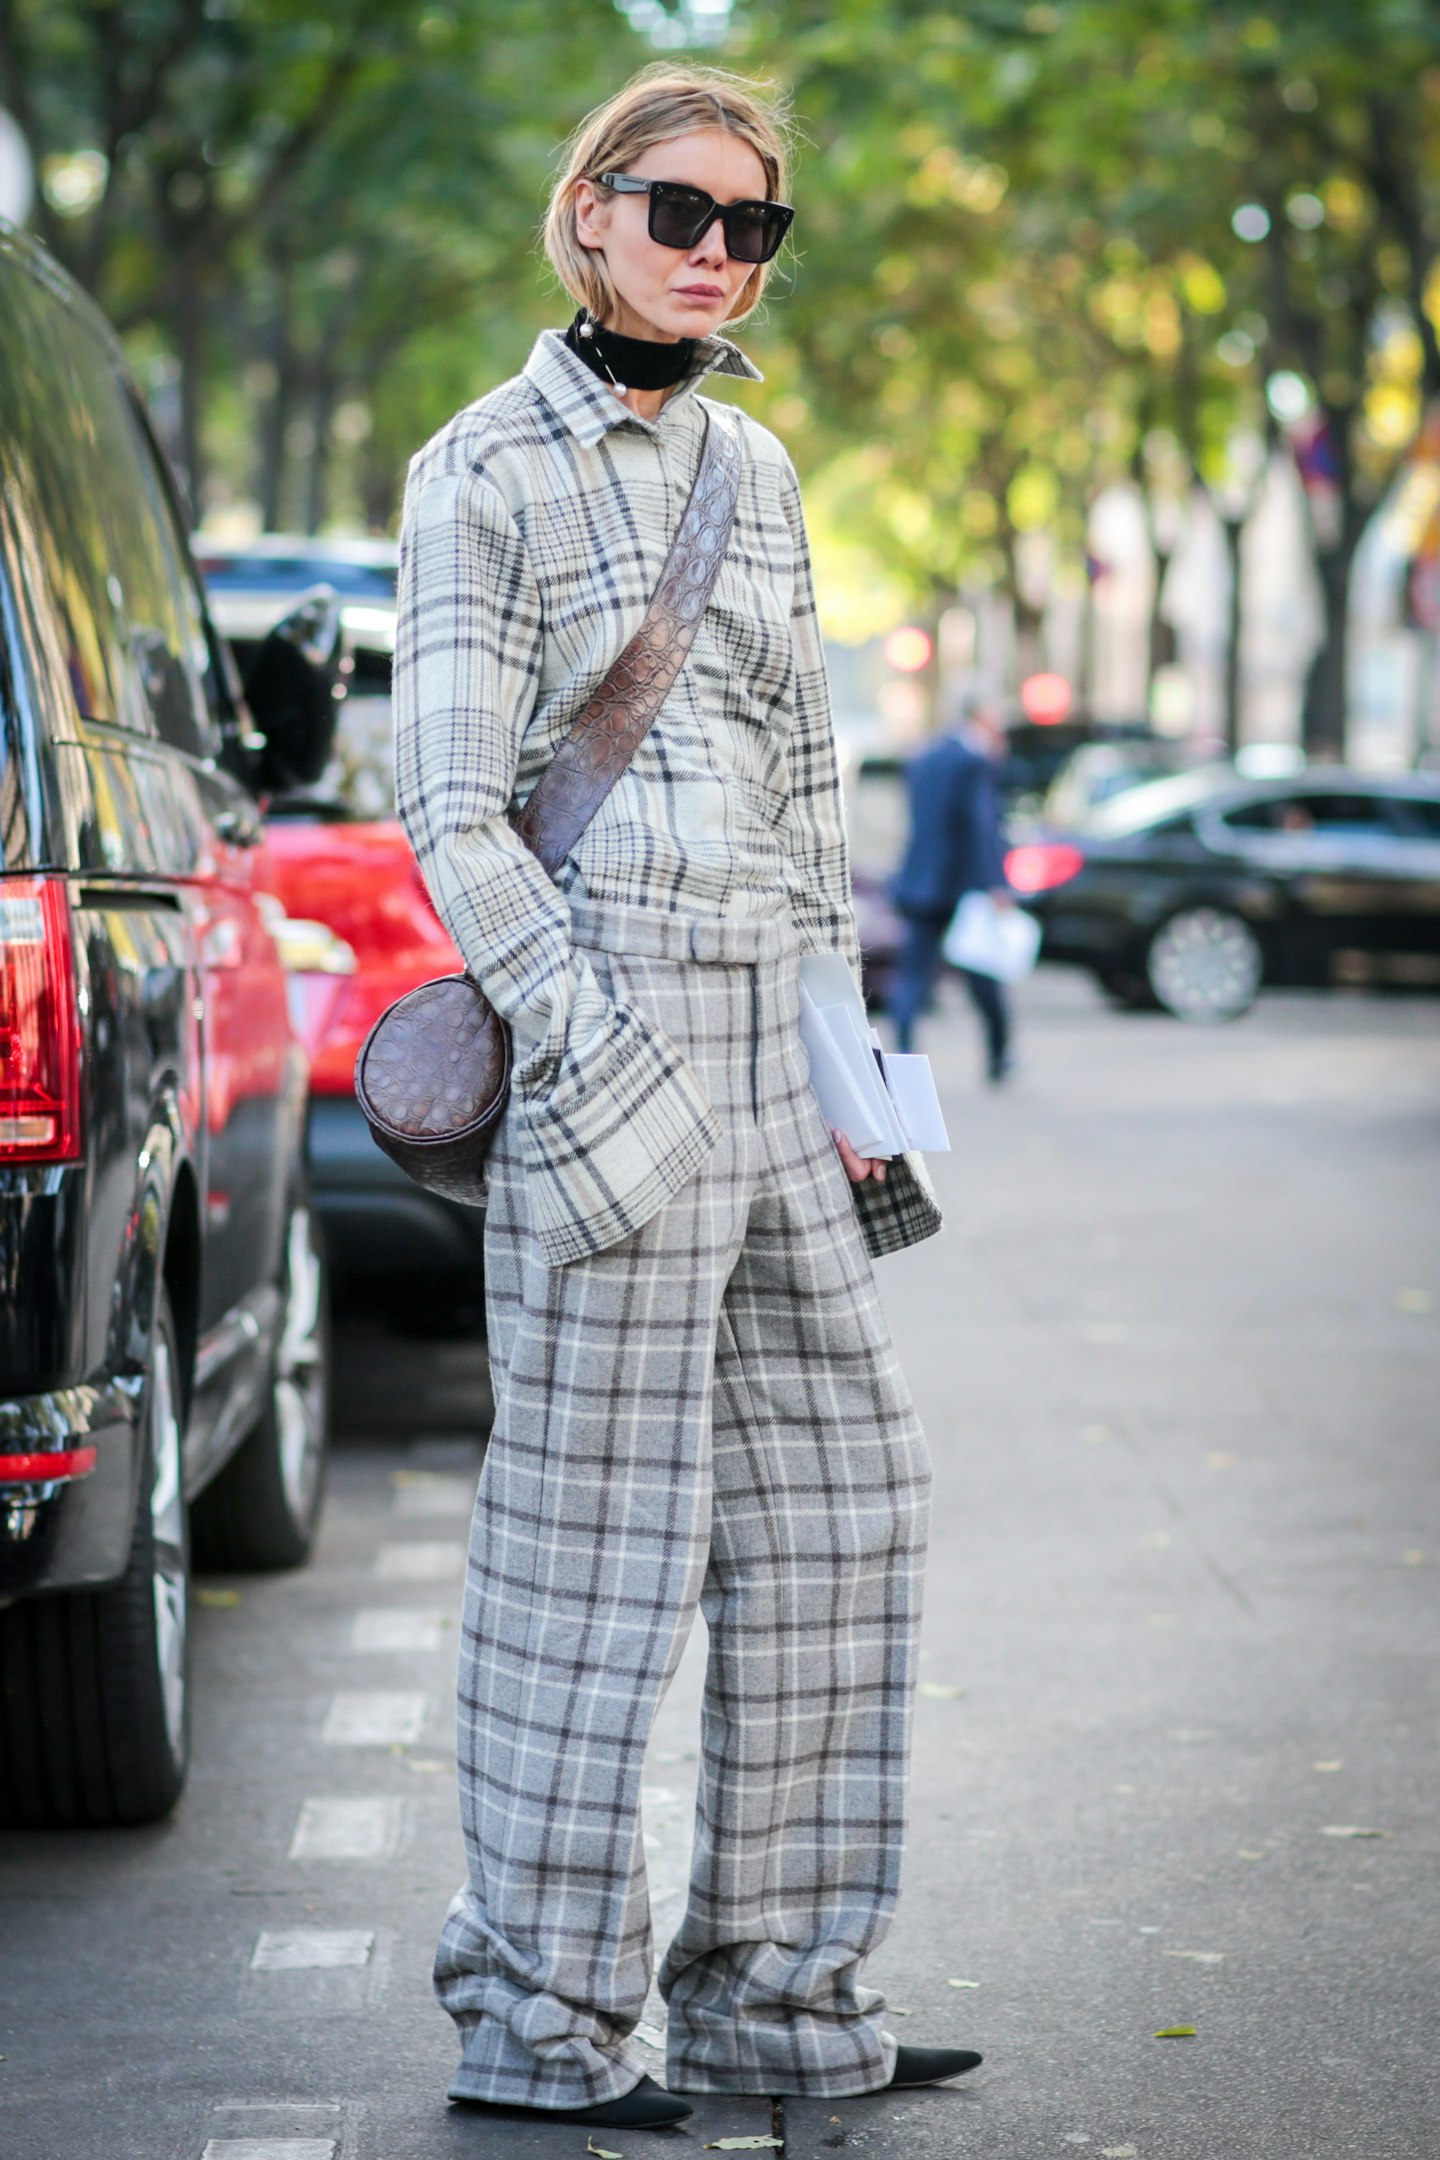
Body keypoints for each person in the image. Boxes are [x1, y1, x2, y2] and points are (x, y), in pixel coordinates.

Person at [392, 62, 980, 2136]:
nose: (718, 253)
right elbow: (451, 816)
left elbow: (813, 797)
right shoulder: (479, 473)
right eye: (680, 211)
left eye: (753, 227)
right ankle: (542, 2026)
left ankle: (778, 2007)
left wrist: (840, 1070)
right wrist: (583, 1048)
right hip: (607, 1041)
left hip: (768, 1037)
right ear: (586, 215)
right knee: (594, 1555)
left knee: (847, 1516)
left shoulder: (765, 471)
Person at [889, 692, 1014, 1079]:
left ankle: (903, 1051)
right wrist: (997, 883)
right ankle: (998, 1056)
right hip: (963, 885)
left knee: (912, 975)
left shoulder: (923, 756)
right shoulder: (973, 762)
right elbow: (982, 827)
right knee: (982, 975)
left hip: (920, 882)